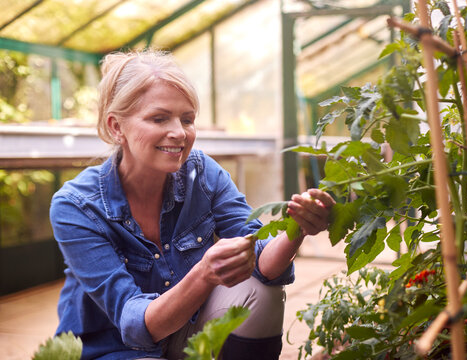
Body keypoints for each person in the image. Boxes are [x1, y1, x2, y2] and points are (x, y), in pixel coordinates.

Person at [49, 50, 335, 360]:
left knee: (259, 291)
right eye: (159, 118)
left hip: (187, 331)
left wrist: (298, 228)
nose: (180, 133)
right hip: (116, 349)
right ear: (117, 127)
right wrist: (204, 273)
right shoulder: (77, 206)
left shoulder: (202, 173)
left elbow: (262, 263)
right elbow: (134, 325)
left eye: (187, 119)